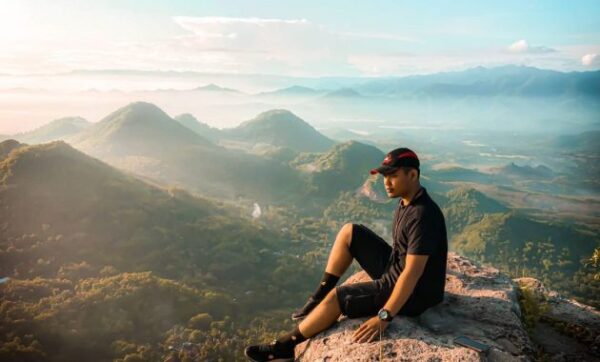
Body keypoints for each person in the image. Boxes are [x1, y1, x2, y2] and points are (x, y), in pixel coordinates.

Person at [244, 147, 448, 362]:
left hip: (415, 295)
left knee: (339, 297)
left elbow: (412, 273)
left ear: (413, 175)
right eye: (385, 176)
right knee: (350, 232)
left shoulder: (423, 215)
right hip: (395, 269)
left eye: (393, 176)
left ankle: (284, 346)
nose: (387, 182)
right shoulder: (406, 202)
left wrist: (384, 316)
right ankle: (317, 298)